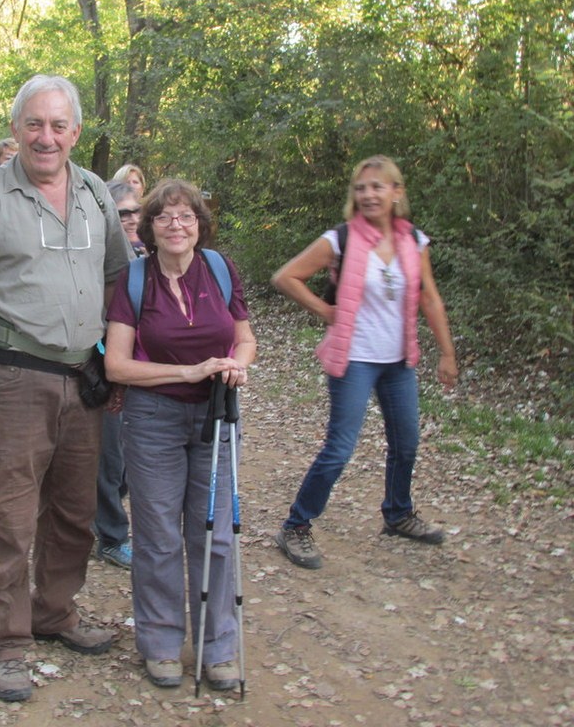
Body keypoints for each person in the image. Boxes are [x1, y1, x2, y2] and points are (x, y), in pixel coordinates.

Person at [0, 75, 133, 702]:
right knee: (11, 519)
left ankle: (54, 613)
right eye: (34, 124)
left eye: (58, 126)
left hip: (85, 379)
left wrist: (118, 363)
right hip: (13, 377)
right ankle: (5, 641)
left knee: (75, 513)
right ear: (17, 127)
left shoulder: (97, 194)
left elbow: (116, 283)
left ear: (75, 133)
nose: (45, 137)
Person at [104, 178, 257, 690]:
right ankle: (163, 643)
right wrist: (187, 373)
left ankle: (218, 648)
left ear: (199, 225)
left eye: (186, 216)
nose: (176, 225)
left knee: (214, 533)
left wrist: (237, 364)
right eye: (165, 217)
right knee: (159, 536)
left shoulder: (219, 269)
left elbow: (244, 338)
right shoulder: (134, 279)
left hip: (216, 416)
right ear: (148, 227)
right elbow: (118, 367)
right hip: (152, 420)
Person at [271, 154, 458, 570]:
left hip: (398, 361)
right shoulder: (341, 239)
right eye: (361, 188)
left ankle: (398, 514)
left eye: (377, 186)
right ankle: (295, 526)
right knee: (339, 450)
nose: (368, 194)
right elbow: (285, 277)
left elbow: (429, 298)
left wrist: (447, 352)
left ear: (397, 193)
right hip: (353, 358)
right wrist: (327, 311)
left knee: (406, 443)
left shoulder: (414, 241)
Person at [93, 180, 145, 570]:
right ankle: (111, 536)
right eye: (121, 212)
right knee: (109, 459)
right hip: (105, 368)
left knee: (129, 460)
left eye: (134, 211)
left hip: (145, 372)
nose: (129, 218)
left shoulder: (151, 254)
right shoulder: (98, 255)